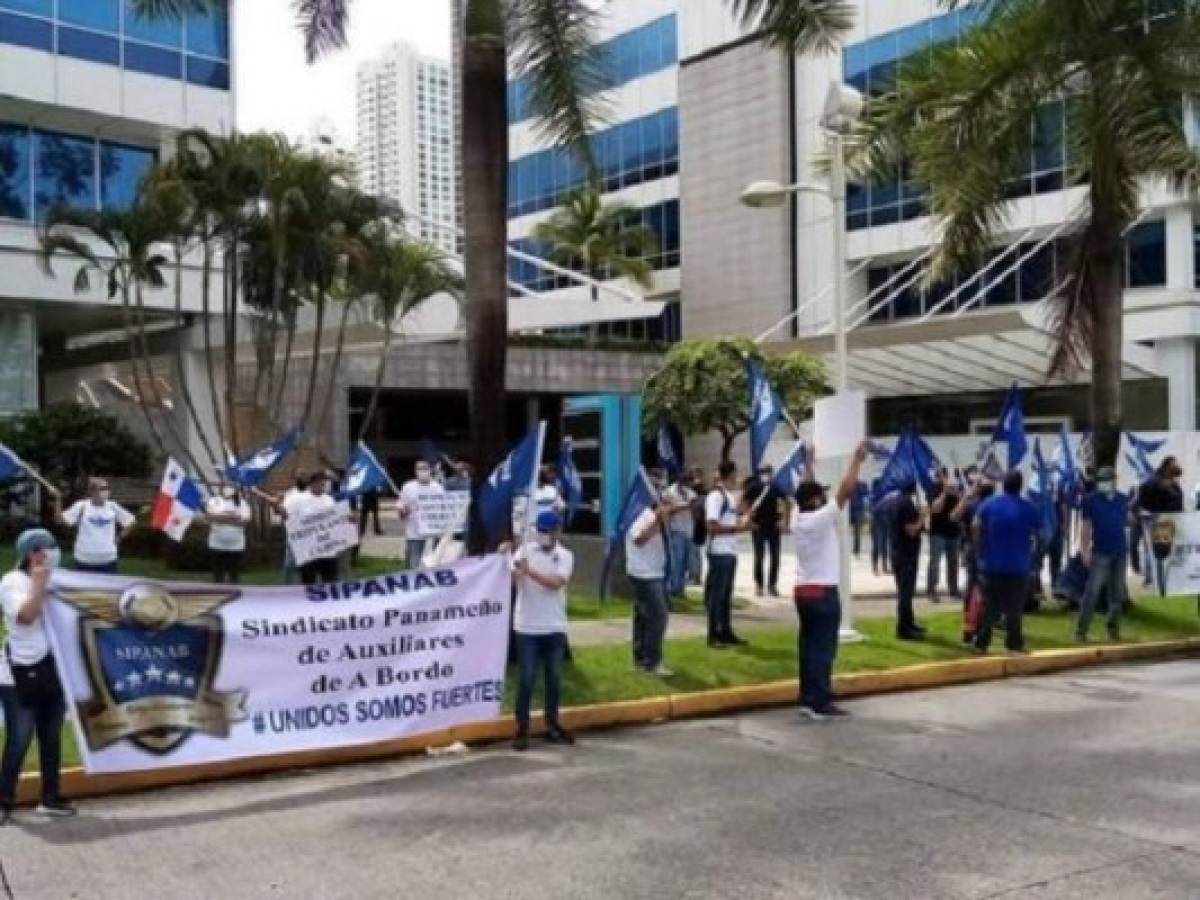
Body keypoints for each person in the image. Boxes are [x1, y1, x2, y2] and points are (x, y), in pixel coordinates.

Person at [0, 529, 75, 823]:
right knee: (20, 738)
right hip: (18, 673)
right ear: (34, 554)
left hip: (52, 670)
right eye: (49, 548)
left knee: (51, 735)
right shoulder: (12, 582)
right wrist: (40, 584)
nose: (55, 553)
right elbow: (26, 616)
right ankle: (4, 800)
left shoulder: (58, 580)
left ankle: (51, 797)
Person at [792, 442, 867, 721]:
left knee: (808, 646)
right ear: (814, 501)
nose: (824, 497)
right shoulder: (820, 519)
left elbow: (804, 488)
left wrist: (808, 463)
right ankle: (818, 701)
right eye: (819, 495)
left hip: (803, 591)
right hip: (823, 592)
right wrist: (855, 460)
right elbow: (845, 491)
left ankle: (808, 695)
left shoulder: (797, 517)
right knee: (823, 648)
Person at [511, 511, 575, 751]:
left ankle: (552, 723)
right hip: (527, 626)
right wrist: (514, 569)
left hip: (553, 625)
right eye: (541, 531)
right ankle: (522, 727)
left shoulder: (565, 556)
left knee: (554, 678)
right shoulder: (525, 551)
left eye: (549, 531)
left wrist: (531, 573)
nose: (544, 536)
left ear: (557, 531)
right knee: (527, 678)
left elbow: (556, 583)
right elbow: (511, 574)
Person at [973, 470, 1040, 656]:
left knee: (989, 607)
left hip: (991, 564)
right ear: (1020, 486)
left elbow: (975, 525)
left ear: (1003, 484)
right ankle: (1014, 643)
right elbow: (1041, 531)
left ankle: (981, 642)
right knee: (1014, 608)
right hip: (1018, 565)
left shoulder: (989, 504)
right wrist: (1033, 554)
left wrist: (979, 549)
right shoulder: (1028, 508)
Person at [1076, 467, 1129, 643]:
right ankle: (1081, 631)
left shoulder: (1123, 499)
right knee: (1092, 592)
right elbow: (1085, 527)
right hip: (1100, 551)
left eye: (1107, 480)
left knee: (1117, 593)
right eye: (1101, 480)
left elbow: (1128, 520)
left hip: (1120, 550)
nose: (1104, 484)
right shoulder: (1091, 500)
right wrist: (1084, 550)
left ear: (1114, 480)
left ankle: (1113, 630)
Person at [704, 460, 753, 647]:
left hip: (730, 551)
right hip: (719, 551)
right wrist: (737, 529)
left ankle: (725, 630)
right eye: (735, 473)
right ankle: (713, 634)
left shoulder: (729, 496)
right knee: (717, 595)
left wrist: (744, 517)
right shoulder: (716, 497)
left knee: (725, 595)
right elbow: (712, 525)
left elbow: (735, 515)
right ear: (730, 474)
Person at [626, 480, 671, 676]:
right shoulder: (638, 515)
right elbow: (639, 539)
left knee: (644, 618)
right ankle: (652, 661)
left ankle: (641, 659)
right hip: (644, 573)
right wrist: (657, 522)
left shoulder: (651, 514)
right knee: (658, 616)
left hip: (654, 571)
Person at [57, 477, 135, 573]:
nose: (106, 491)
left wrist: (119, 537)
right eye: (103, 488)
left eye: (107, 488)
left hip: (108, 561)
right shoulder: (81, 506)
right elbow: (60, 520)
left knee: (108, 588)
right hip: (84, 561)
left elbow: (131, 521)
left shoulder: (112, 506)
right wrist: (58, 499)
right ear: (92, 491)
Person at [290, 472, 340, 586]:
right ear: (312, 484)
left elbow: (336, 519)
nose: (323, 486)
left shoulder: (329, 500)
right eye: (321, 484)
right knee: (309, 581)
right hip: (308, 551)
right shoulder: (299, 500)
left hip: (328, 549)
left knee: (331, 581)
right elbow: (291, 520)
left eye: (324, 484)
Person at [891, 483, 927, 640]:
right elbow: (911, 530)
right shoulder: (905, 504)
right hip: (905, 554)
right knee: (905, 593)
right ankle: (903, 628)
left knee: (907, 592)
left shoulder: (899, 501)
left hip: (903, 552)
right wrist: (923, 517)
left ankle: (909, 622)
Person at [745, 466, 784, 598]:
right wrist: (749, 521)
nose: (767, 475)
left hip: (773, 526)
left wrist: (783, 520)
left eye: (769, 472)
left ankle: (772, 585)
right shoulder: (754, 487)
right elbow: (744, 503)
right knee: (759, 556)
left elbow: (785, 501)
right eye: (764, 472)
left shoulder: (775, 488)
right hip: (758, 526)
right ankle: (759, 585)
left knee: (775, 557)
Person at [399, 461, 443, 570]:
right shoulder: (407, 487)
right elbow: (401, 512)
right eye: (420, 469)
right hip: (414, 534)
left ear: (430, 470)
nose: (423, 471)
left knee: (431, 566)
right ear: (415, 471)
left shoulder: (438, 488)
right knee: (413, 566)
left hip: (432, 535)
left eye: (425, 468)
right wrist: (403, 511)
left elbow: (443, 509)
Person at [926, 469, 962, 603]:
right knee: (935, 562)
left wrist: (955, 492)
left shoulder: (955, 490)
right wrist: (944, 493)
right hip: (938, 532)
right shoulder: (933, 490)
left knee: (953, 562)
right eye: (941, 477)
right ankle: (931, 590)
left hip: (953, 531)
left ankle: (953, 588)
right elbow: (935, 509)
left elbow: (961, 505)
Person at [662, 471, 698, 601]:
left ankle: (680, 589)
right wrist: (683, 506)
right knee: (676, 561)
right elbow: (666, 510)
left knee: (685, 562)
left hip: (689, 530)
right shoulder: (669, 492)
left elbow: (695, 511)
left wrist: (694, 508)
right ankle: (673, 588)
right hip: (676, 530)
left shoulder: (691, 493)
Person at [205, 485, 252, 584]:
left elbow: (245, 521)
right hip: (216, 544)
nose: (228, 489)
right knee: (218, 575)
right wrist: (232, 517)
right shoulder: (214, 501)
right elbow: (210, 517)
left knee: (234, 575)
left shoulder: (242, 503)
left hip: (236, 546)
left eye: (231, 486)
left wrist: (222, 519)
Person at [870, 478, 893, 576]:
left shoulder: (883, 494)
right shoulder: (875, 495)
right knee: (878, 545)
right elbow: (873, 509)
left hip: (884, 521)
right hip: (877, 522)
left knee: (883, 545)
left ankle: (883, 566)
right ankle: (876, 567)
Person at [689, 467, 708, 585]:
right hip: (698, 525)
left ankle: (696, 576)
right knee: (696, 552)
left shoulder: (700, 494)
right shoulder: (703, 492)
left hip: (698, 525)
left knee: (695, 552)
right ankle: (695, 575)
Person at [849, 479, 869, 558]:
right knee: (843, 531)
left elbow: (866, 493)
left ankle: (856, 551)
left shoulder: (861, 484)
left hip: (858, 510)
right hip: (849, 510)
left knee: (857, 532)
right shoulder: (848, 484)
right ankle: (850, 550)